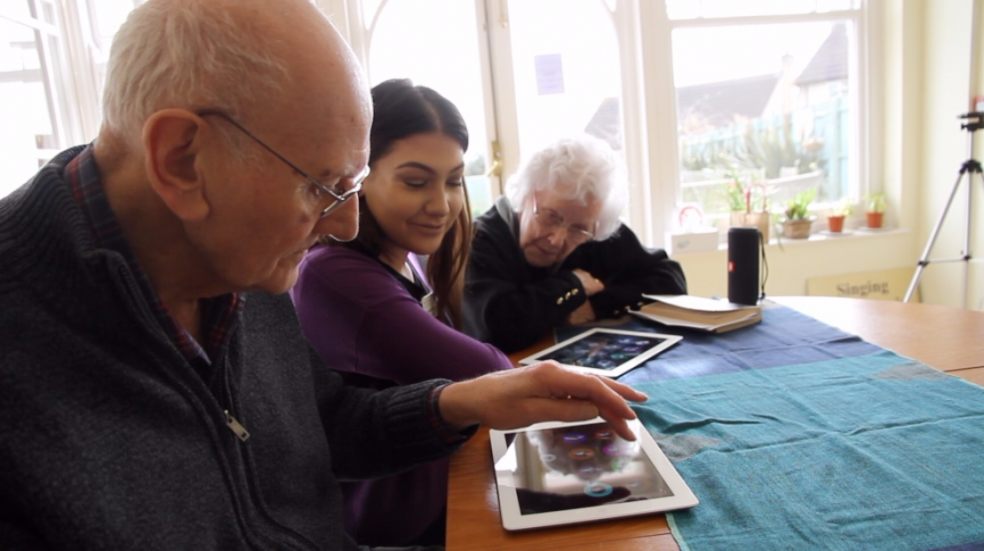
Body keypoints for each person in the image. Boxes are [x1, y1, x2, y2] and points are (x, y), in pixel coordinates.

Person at [0, 1, 648, 550]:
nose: (343, 227)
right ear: (182, 159)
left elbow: (325, 423)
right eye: (324, 187)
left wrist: (459, 402)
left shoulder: (237, 257)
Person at [290, 79, 511, 546]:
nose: (442, 205)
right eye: (415, 182)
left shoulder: (407, 256)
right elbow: (486, 371)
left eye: (454, 181)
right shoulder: (334, 274)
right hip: (391, 530)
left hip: (437, 490)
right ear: (359, 176)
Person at [462, 135, 687, 354]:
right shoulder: (480, 239)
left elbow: (671, 281)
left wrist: (597, 306)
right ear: (526, 196)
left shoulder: (592, 229)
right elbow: (498, 328)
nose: (557, 239)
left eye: (577, 229)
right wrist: (574, 284)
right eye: (551, 216)